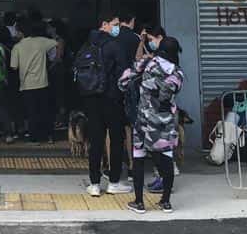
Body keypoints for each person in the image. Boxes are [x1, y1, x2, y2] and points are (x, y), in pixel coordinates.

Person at [123, 36, 184, 215]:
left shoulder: (148, 63)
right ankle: (166, 202)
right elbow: (169, 92)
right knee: (166, 159)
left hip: (144, 120)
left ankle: (139, 202)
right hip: (165, 123)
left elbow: (125, 80)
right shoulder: (177, 73)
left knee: (139, 158)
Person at [79, 15, 131, 197]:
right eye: (115, 24)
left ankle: (94, 184)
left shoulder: (86, 46)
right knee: (116, 139)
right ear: (104, 25)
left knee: (96, 140)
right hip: (112, 98)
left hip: (91, 99)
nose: (117, 28)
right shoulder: (115, 46)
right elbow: (125, 73)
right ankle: (114, 182)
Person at [11, 20, 59, 144]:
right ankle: (49, 136)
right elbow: (56, 42)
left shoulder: (17, 47)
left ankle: (34, 138)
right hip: (43, 82)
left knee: (32, 112)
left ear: (21, 32)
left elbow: (14, 67)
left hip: (27, 84)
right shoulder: (41, 41)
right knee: (45, 110)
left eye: (16, 30)